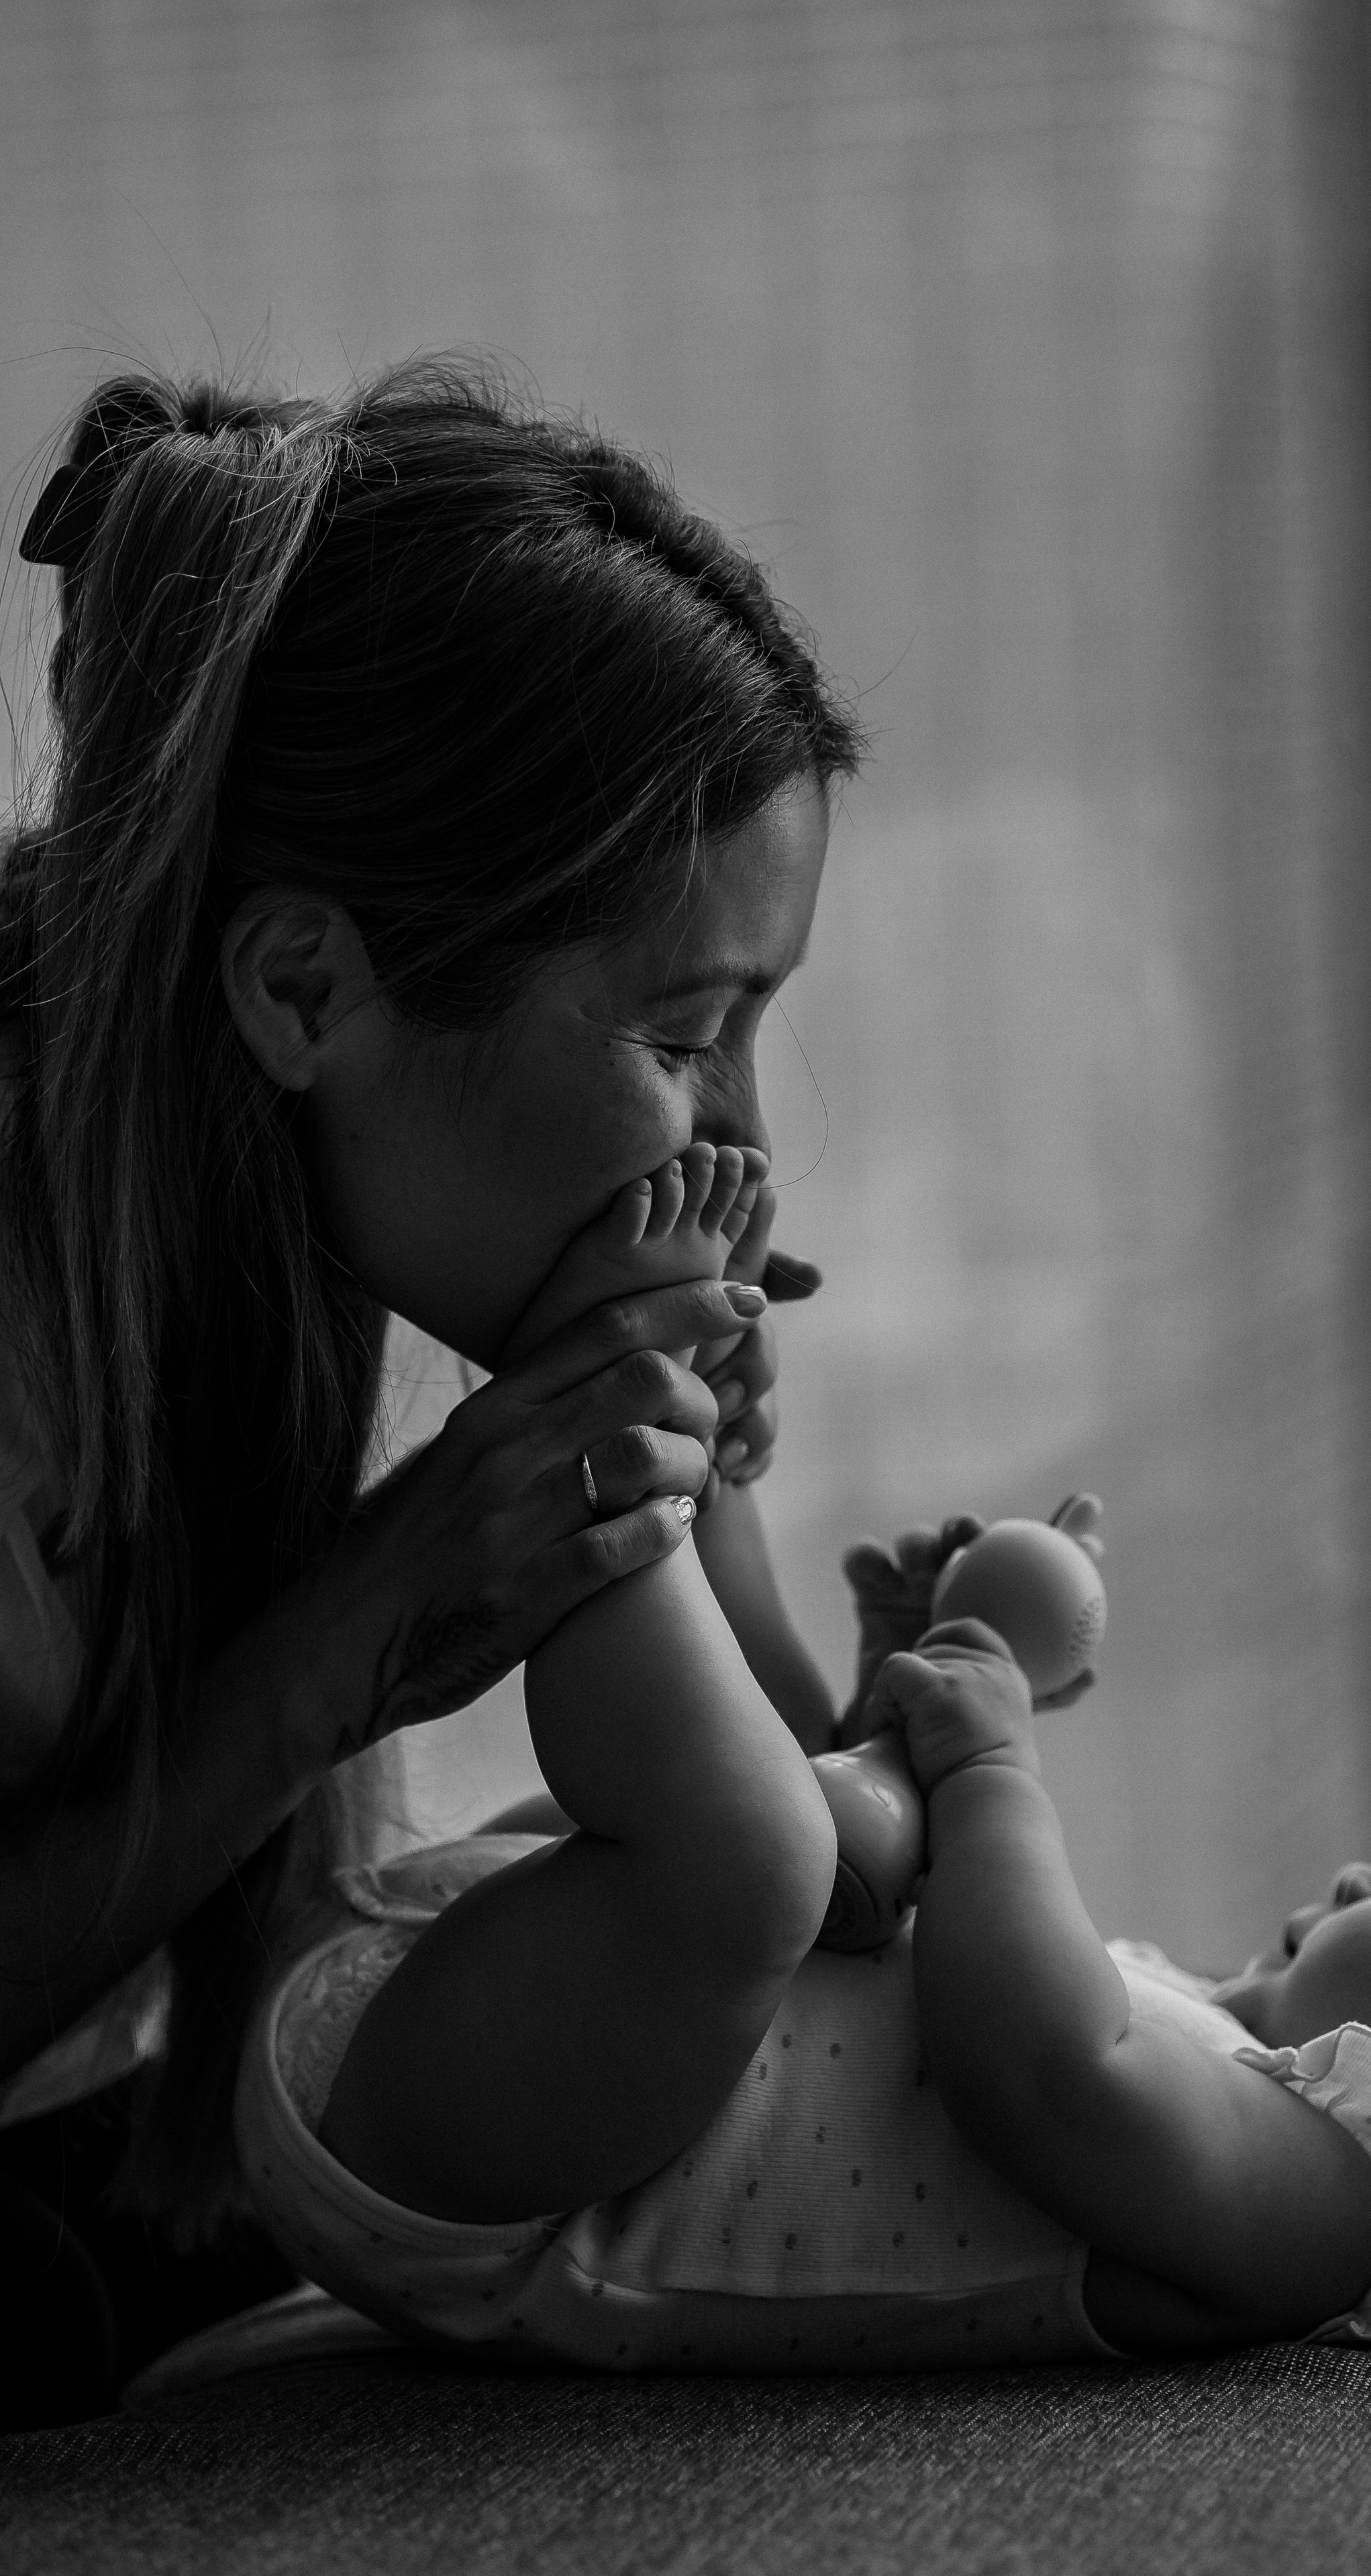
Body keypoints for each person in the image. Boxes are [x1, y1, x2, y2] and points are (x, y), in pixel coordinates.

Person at [236, 1157, 1371, 2373]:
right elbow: (911, 1966)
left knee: (751, 1858)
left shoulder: (1328, 2214)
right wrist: (915, 1693)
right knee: (804, 1830)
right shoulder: (1214, 2040)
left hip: (502, 2164)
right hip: (524, 1986)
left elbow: (1043, 2071)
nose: (1361, 1870)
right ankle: (705, 1456)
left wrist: (993, 1772)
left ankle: (609, 1422)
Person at [0, 360, 863, 2425]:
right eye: (685, 1036)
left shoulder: (240, 1195)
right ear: (305, 988)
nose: (738, 1136)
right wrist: (353, 1638)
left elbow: (804, 1868)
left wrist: (690, 1488)